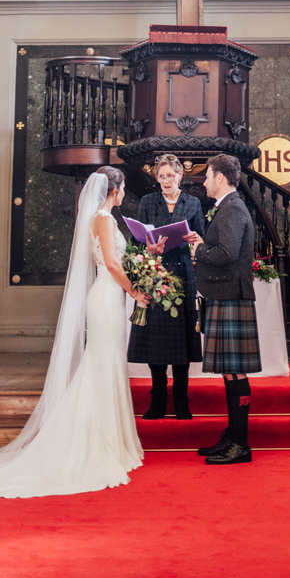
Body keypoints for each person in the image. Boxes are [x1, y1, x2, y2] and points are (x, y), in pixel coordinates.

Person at [0, 167, 149, 500]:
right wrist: (134, 291)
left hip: (108, 295)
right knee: (102, 364)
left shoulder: (103, 217)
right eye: (122, 189)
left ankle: (110, 439)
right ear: (113, 190)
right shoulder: (104, 219)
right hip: (107, 296)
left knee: (106, 364)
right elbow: (111, 262)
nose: (124, 194)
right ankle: (96, 442)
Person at [186, 153, 260, 465]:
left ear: (220, 178)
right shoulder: (228, 207)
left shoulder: (231, 208)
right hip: (225, 295)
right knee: (230, 373)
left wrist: (198, 249)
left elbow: (227, 252)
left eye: (207, 176)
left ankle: (240, 444)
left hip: (230, 297)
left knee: (235, 372)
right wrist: (202, 243)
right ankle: (232, 436)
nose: (203, 181)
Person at [128, 154, 204, 420]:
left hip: (183, 274)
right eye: (160, 177)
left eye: (169, 176)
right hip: (155, 273)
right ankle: (158, 401)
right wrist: (147, 248)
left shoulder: (193, 202)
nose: (165, 181)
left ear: (180, 176)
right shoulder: (148, 202)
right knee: (157, 341)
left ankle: (181, 401)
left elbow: (200, 239)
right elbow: (136, 242)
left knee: (182, 339)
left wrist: (196, 239)